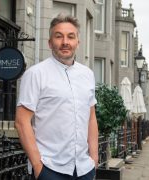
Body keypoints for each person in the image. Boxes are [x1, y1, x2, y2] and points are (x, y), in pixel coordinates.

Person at [15, 14, 98, 180]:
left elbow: (91, 118)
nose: (65, 42)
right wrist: (38, 167)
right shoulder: (35, 74)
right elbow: (21, 121)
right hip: (50, 169)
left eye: (70, 37)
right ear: (50, 42)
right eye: (59, 36)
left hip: (84, 169)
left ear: (77, 43)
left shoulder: (87, 74)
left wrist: (94, 159)